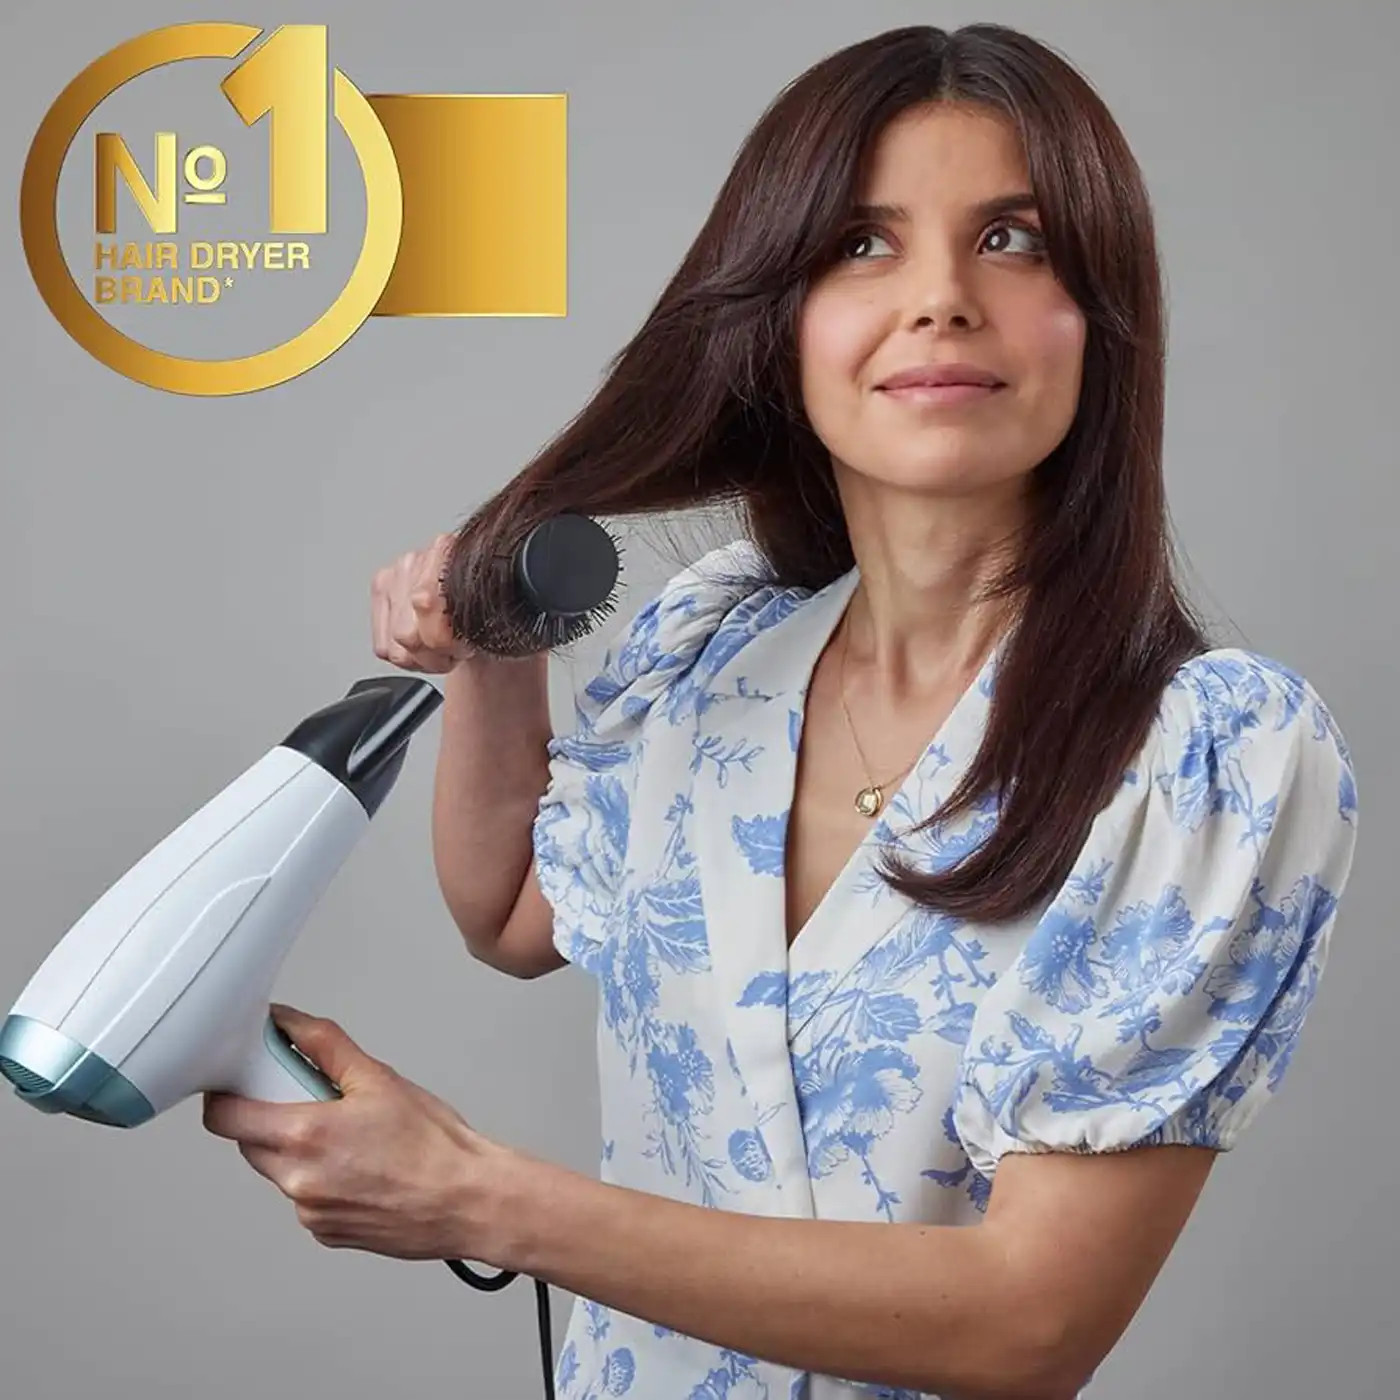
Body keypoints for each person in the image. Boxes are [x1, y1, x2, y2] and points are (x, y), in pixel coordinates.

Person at [204, 23, 1360, 1400]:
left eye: (1013, 240)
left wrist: (473, 1196)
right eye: (862, 244)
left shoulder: (1201, 758)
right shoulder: (717, 645)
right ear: (781, 319)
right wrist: (493, 648)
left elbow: (1032, 1326)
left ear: (1101, 321)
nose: (941, 299)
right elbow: (512, 914)